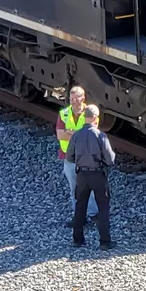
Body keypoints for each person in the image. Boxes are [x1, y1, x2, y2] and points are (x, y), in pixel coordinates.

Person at [66, 104, 115, 249]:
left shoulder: (76, 135)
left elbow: (69, 156)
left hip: (82, 174)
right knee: (103, 207)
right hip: (97, 174)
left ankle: (77, 240)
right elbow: (110, 158)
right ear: (95, 118)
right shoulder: (100, 135)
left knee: (80, 206)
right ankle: (105, 242)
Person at [56, 86, 98, 227]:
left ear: (83, 98)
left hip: (86, 157)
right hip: (69, 157)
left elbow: (91, 134)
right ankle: (79, 217)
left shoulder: (90, 112)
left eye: (77, 99)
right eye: (72, 99)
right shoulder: (64, 113)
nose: (74, 102)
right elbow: (60, 134)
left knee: (90, 186)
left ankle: (93, 214)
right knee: (74, 188)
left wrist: (71, 133)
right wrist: (78, 133)